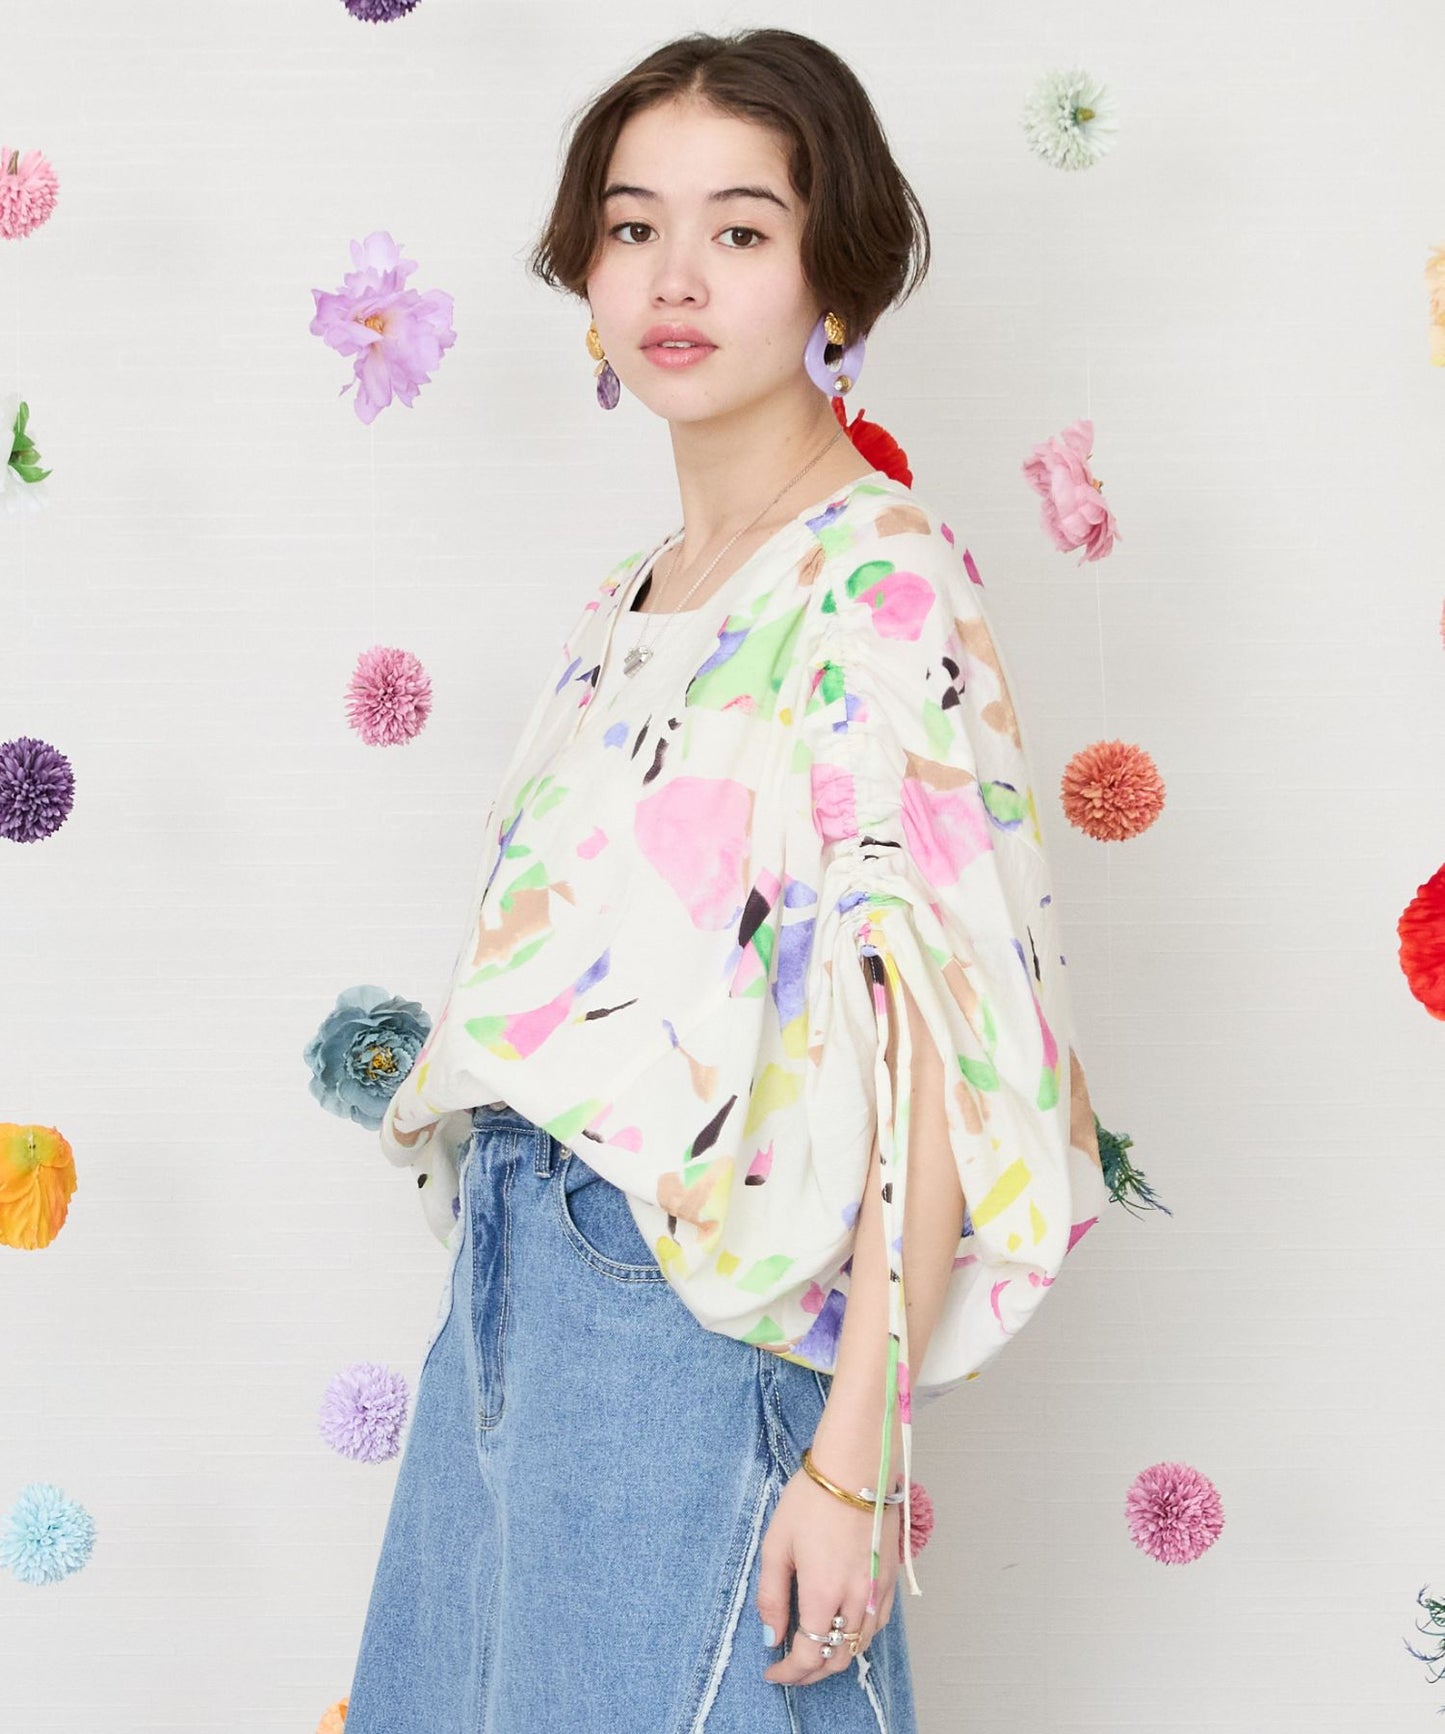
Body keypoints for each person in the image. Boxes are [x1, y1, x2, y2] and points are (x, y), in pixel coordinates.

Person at [345, 26, 1108, 1734]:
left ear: (835, 276)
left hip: (685, 1317)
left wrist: (853, 1456)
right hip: (514, 1280)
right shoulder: (633, 593)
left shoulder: (877, 578)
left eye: (741, 230)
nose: (673, 277)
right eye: (633, 227)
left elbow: (932, 1034)